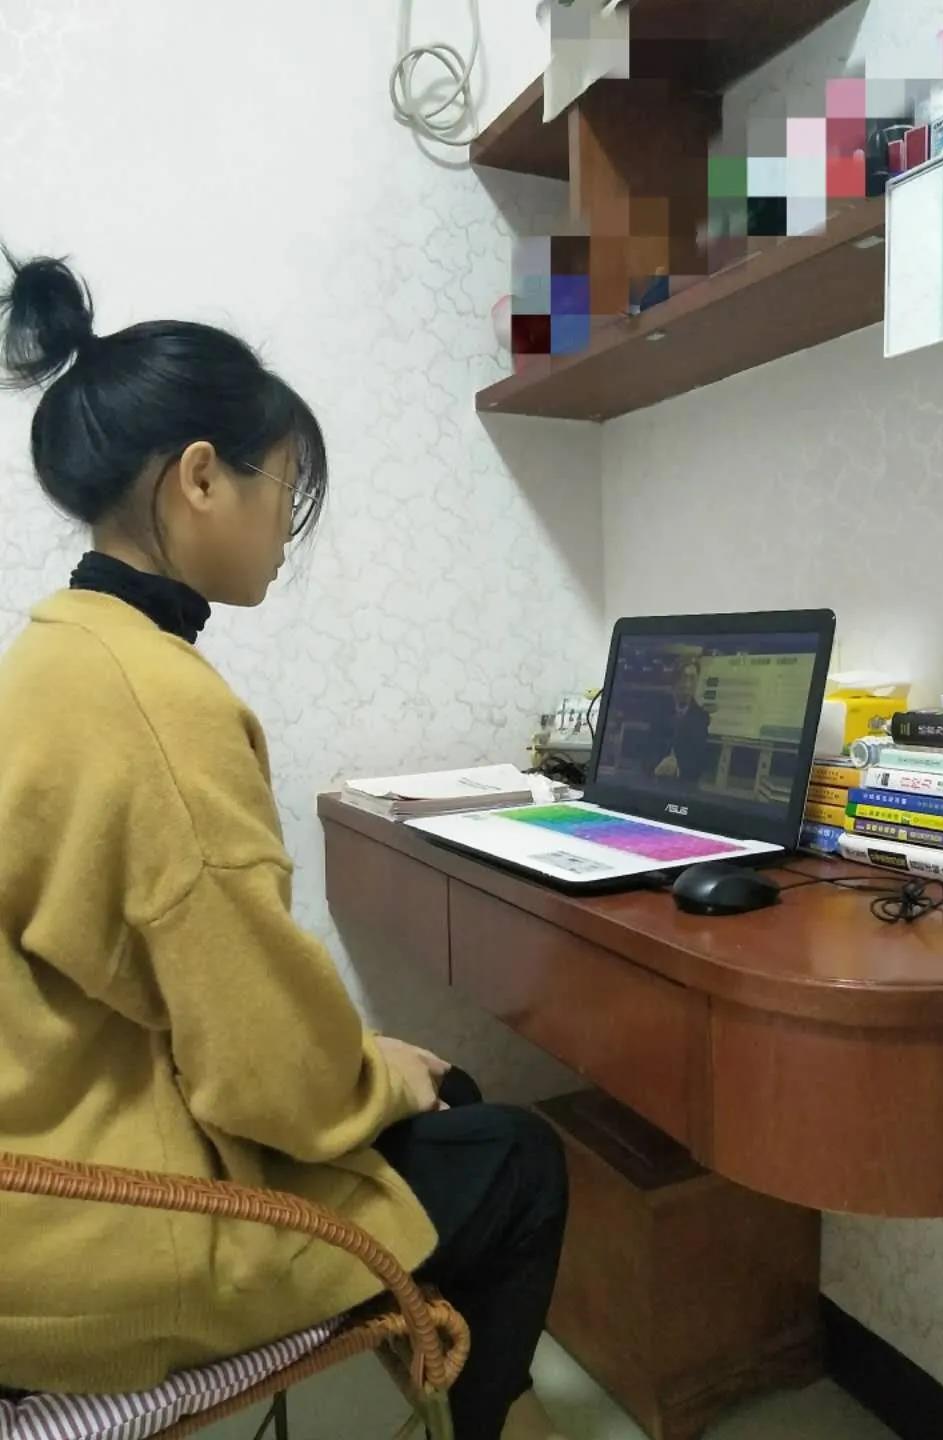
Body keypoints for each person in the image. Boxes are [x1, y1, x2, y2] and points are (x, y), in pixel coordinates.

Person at [0, 251, 568, 1440]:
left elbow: (200, 995)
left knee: (439, 1097)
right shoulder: (160, 704)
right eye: (287, 486)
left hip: (41, 1158)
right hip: (87, 1228)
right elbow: (264, 1076)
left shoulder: (53, 654)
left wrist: (365, 1067)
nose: (286, 528)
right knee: (517, 1158)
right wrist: (377, 1071)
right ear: (203, 477)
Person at [642, 657, 712, 785]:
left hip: (684, 786)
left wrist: (678, 769)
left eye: (692, 679)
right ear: (674, 681)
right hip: (654, 781)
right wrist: (656, 766)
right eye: (684, 678)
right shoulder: (659, 711)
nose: (687, 684)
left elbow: (700, 761)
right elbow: (647, 749)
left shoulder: (701, 718)